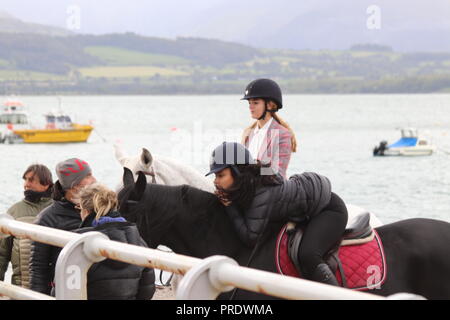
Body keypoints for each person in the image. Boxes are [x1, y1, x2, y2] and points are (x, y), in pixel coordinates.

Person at [207, 142, 348, 286]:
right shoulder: (250, 182)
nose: (216, 182)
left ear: (237, 172)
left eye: (220, 175)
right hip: (308, 201)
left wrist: (230, 206)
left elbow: (250, 237)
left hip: (329, 209)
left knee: (308, 255)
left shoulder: (261, 193)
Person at [73, 183, 155, 300]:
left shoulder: (78, 244)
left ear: (85, 211)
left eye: (79, 209)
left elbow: (64, 290)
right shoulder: (139, 242)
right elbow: (147, 290)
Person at [29, 158, 97, 294]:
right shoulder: (48, 219)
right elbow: (38, 268)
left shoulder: (100, 211)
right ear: (74, 185)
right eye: (88, 176)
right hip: (65, 291)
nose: (94, 180)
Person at [0, 164, 53, 288]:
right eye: (25, 180)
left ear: (46, 184)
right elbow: (2, 253)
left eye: (31, 180)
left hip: (51, 287)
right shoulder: (15, 211)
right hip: (21, 285)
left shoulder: (57, 210)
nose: (26, 184)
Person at [240, 78, 297, 179]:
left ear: (270, 105)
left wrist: (250, 169)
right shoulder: (248, 133)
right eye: (249, 103)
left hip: (272, 191)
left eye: (255, 103)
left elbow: (277, 173)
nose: (250, 107)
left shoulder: (283, 135)